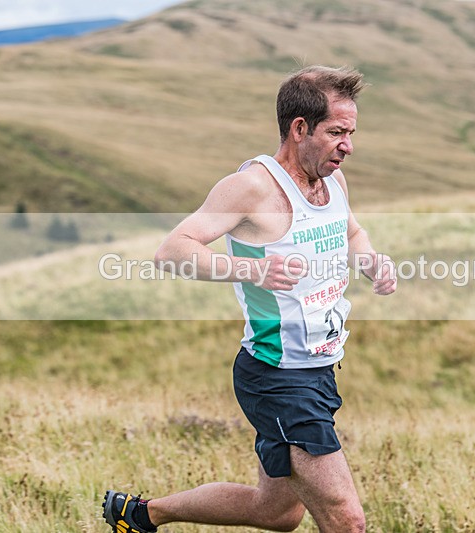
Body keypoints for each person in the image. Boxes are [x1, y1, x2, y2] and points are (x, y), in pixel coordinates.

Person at [102, 65, 397, 533]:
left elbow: (352, 231)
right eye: (337, 132)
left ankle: (138, 514)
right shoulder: (253, 188)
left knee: (276, 513)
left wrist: (370, 261)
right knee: (347, 520)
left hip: (319, 371)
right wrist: (253, 269)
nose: (348, 145)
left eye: (351, 132)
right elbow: (172, 250)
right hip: (277, 378)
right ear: (300, 129)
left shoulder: (333, 181)